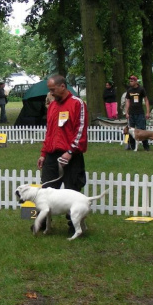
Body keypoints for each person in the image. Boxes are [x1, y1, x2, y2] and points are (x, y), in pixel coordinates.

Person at [37, 75, 88, 233]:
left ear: (63, 87)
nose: (51, 93)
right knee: (45, 190)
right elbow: (50, 132)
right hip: (52, 155)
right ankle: (42, 224)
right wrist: (43, 153)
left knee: (72, 191)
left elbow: (80, 131)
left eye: (53, 90)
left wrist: (70, 152)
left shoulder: (77, 104)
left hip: (71, 156)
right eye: (50, 90)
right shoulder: (52, 106)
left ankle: (74, 226)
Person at [124, 75, 151, 151]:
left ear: (136, 81)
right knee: (128, 130)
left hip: (140, 113)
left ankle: (146, 147)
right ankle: (129, 145)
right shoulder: (129, 90)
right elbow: (128, 101)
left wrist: (148, 112)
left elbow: (146, 100)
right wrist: (126, 112)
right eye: (130, 81)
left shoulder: (141, 89)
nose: (130, 82)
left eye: (132, 81)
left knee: (142, 130)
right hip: (131, 113)